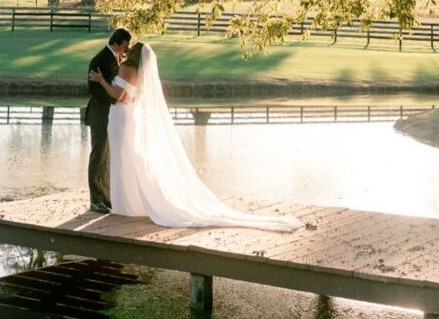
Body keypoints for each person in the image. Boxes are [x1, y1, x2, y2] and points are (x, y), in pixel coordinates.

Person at [89, 41, 300, 231]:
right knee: (129, 158)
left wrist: (101, 80)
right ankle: (131, 202)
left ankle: (125, 204)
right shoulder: (140, 73)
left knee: (122, 158)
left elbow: (119, 96)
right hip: (130, 116)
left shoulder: (126, 68)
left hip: (120, 118)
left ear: (132, 52)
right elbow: (131, 97)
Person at [84, 26, 132, 213]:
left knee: (107, 158)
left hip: (111, 115)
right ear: (117, 43)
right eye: (125, 47)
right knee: (97, 158)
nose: (126, 51)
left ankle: (106, 197)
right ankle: (95, 200)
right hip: (99, 114)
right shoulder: (99, 59)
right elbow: (92, 88)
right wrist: (114, 98)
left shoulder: (116, 58)